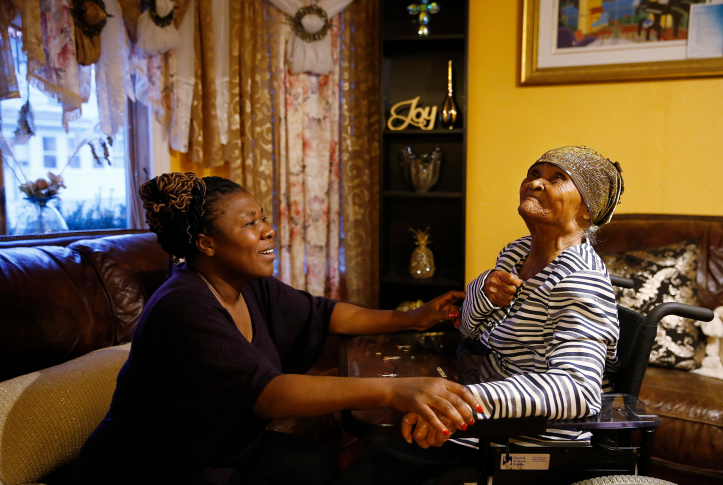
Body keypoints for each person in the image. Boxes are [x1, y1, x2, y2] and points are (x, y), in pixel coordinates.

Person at [70, 173, 481, 485]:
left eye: (263, 219)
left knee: (325, 462)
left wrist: (411, 318)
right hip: (155, 468)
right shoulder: (183, 307)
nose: (268, 230)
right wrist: (394, 388)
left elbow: (324, 315)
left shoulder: (247, 286)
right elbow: (269, 395)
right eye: (250, 223)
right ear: (206, 243)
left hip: (224, 452)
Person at [338, 146, 625, 484]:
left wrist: (459, 401)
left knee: (379, 464)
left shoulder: (581, 281)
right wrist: (484, 290)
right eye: (534, 174)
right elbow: (471, 327)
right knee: (377, 451)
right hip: (482, 411)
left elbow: (577, 390)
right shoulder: (518, 251)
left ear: (587, 211)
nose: (535, 183)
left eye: (557, 179)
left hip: (521, 438)